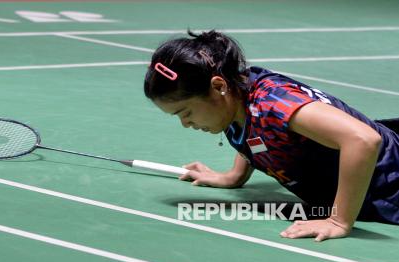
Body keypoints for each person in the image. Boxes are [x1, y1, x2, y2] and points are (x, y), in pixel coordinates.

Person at [143, 30, 399, 242]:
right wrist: (234, 176)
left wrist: (338, 221)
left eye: (185, 112)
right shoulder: (238, 97)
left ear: (219, 86)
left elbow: (363, 140)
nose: (185, 124)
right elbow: (253, 133)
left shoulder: (274, 104)